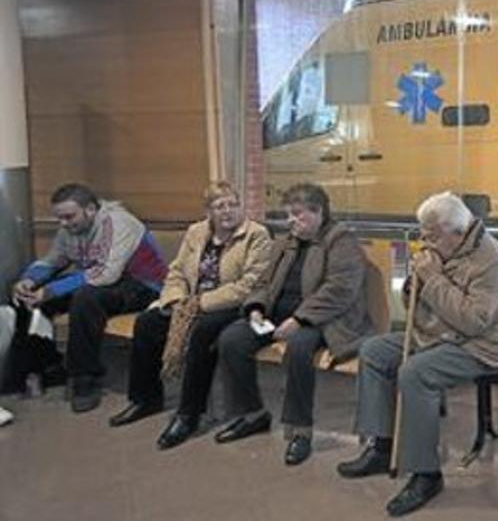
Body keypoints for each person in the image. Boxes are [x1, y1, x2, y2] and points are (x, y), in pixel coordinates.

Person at [336, 191, 498, 518]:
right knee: (374, 351)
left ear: (456, 230)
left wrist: (432, 278)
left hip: (483, 345)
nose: (425, 240)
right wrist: (414, 283)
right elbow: (414, 309)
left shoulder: (493, 261)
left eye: (431, 233)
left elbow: (474, 321)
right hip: (440, 334)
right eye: (423, 232)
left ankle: (426, 473)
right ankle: (381, 444)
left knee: (415, 372)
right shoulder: (444, 249)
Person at [214, 182, 372, 466]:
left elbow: (340, 290)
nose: (292, 221)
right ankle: (252, 414)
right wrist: (257, 308)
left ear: (319, 212)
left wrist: (300, 319)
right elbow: (263, 281)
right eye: (289, 214)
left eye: (298, 215)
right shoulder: (285, 242)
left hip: (324, 320)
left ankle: (300, 431)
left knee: (298, 348)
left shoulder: (341, 240)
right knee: (232, 339)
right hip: (278, 315)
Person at [107, 181, 272, 450]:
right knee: (147, 323)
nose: (228, 211)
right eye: (220, 206)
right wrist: (175, 300)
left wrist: (198, 304)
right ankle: (145, 399)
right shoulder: (196, 232)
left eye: (233, 204)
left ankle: (189, 414)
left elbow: (250, 285)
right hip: (188, 301)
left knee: (202, 332)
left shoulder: (257, 234)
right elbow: (177, 272)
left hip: (229, 304)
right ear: (209, 211)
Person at [9, 183, 168, 412]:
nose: (63, 223)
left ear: (91, 210)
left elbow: (106, 274)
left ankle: (85, 378)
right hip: (101, 279)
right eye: (59, 218)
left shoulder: (118, 223)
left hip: (143, 284)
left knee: (85, 298)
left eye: (69, 217)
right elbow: (53, 260)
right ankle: (41, 366)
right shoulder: (69, 229)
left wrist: (49, 291)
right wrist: (30, 281)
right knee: (27, 296)